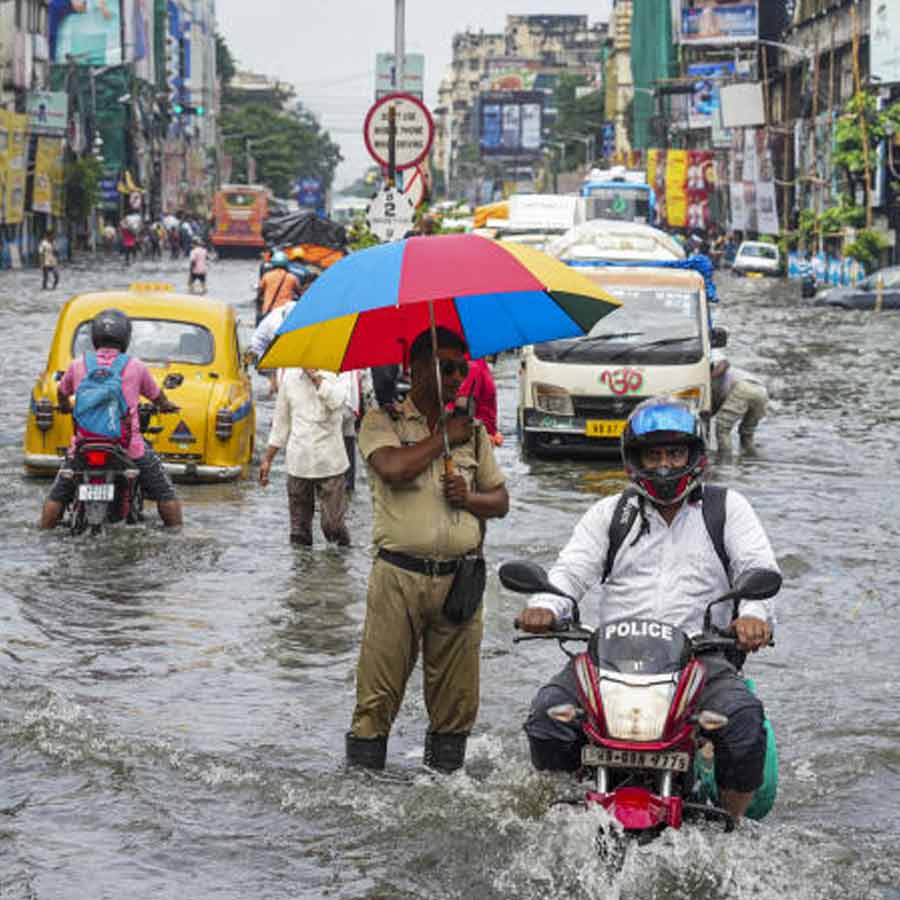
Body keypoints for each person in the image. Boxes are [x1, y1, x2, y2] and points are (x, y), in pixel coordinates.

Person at [518, 396, 781, 820]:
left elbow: (758, 570)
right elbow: (570, 572)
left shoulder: (727, 509)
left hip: (700, 659)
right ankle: (563, 812)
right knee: (548, 715)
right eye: (653, 454)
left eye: (674, 452)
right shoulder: (610, 513)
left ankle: (734, 827)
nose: (664, 465)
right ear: (634, 460)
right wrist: (545, 606)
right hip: (611, 660)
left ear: (694, 456)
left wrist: (752, 616)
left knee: (745, 722)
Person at [346, 326, 510, 773]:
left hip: (460, 579)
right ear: (414, 369)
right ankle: (363, 788)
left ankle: (444, 783)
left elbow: (500, 500)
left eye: (462, 368)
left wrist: (469, 499)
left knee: (456, 701)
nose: (458, 377)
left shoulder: (473, 432)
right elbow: (392, 467)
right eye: (446, 367)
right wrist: (442, 439)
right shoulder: (383, 421)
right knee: (377, 694)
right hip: (398, 576)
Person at [40, 309, 183, 529]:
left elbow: (62, 392)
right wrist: (166, 406)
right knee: (164, 492)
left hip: (83, 446)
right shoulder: (135, 366)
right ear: (125, 338)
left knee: (58, 495)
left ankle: (43, 533)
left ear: (94, 337)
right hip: (127, 447)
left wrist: (64, 406)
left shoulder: (78, 365)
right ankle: (177, 535)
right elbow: (157, 397)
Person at [258, 367, 352, 547]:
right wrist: (267, 460)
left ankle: (340, 569)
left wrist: (317, 379)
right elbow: (281, 424)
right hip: (298, 462)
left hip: (330, 462)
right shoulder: (289, 379)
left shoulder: (339, 375)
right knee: (298, 533)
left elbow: (338, 403)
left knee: (333, 527)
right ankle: (301, 573)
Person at [711, 358, 769, 455]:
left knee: (722, 428)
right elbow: (717, 405)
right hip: (761, 391)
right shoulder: (735, 373)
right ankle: (750, 459)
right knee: (747, 433)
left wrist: (711, 377)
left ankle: (725, 460)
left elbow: (725, 363)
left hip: (743, 387)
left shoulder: (716, 371)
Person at [456, 356, 503, 447]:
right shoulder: (473, 367)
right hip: (474, 441)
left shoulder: (480, 363)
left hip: (483, 437)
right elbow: (462, 406)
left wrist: (492, 431)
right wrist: (480, 435)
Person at [257, 251, 301, 321]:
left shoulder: (266, 276)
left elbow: (260, 292)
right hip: (284, 313)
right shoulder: (292, 277)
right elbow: (299, 293)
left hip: (269, 312)